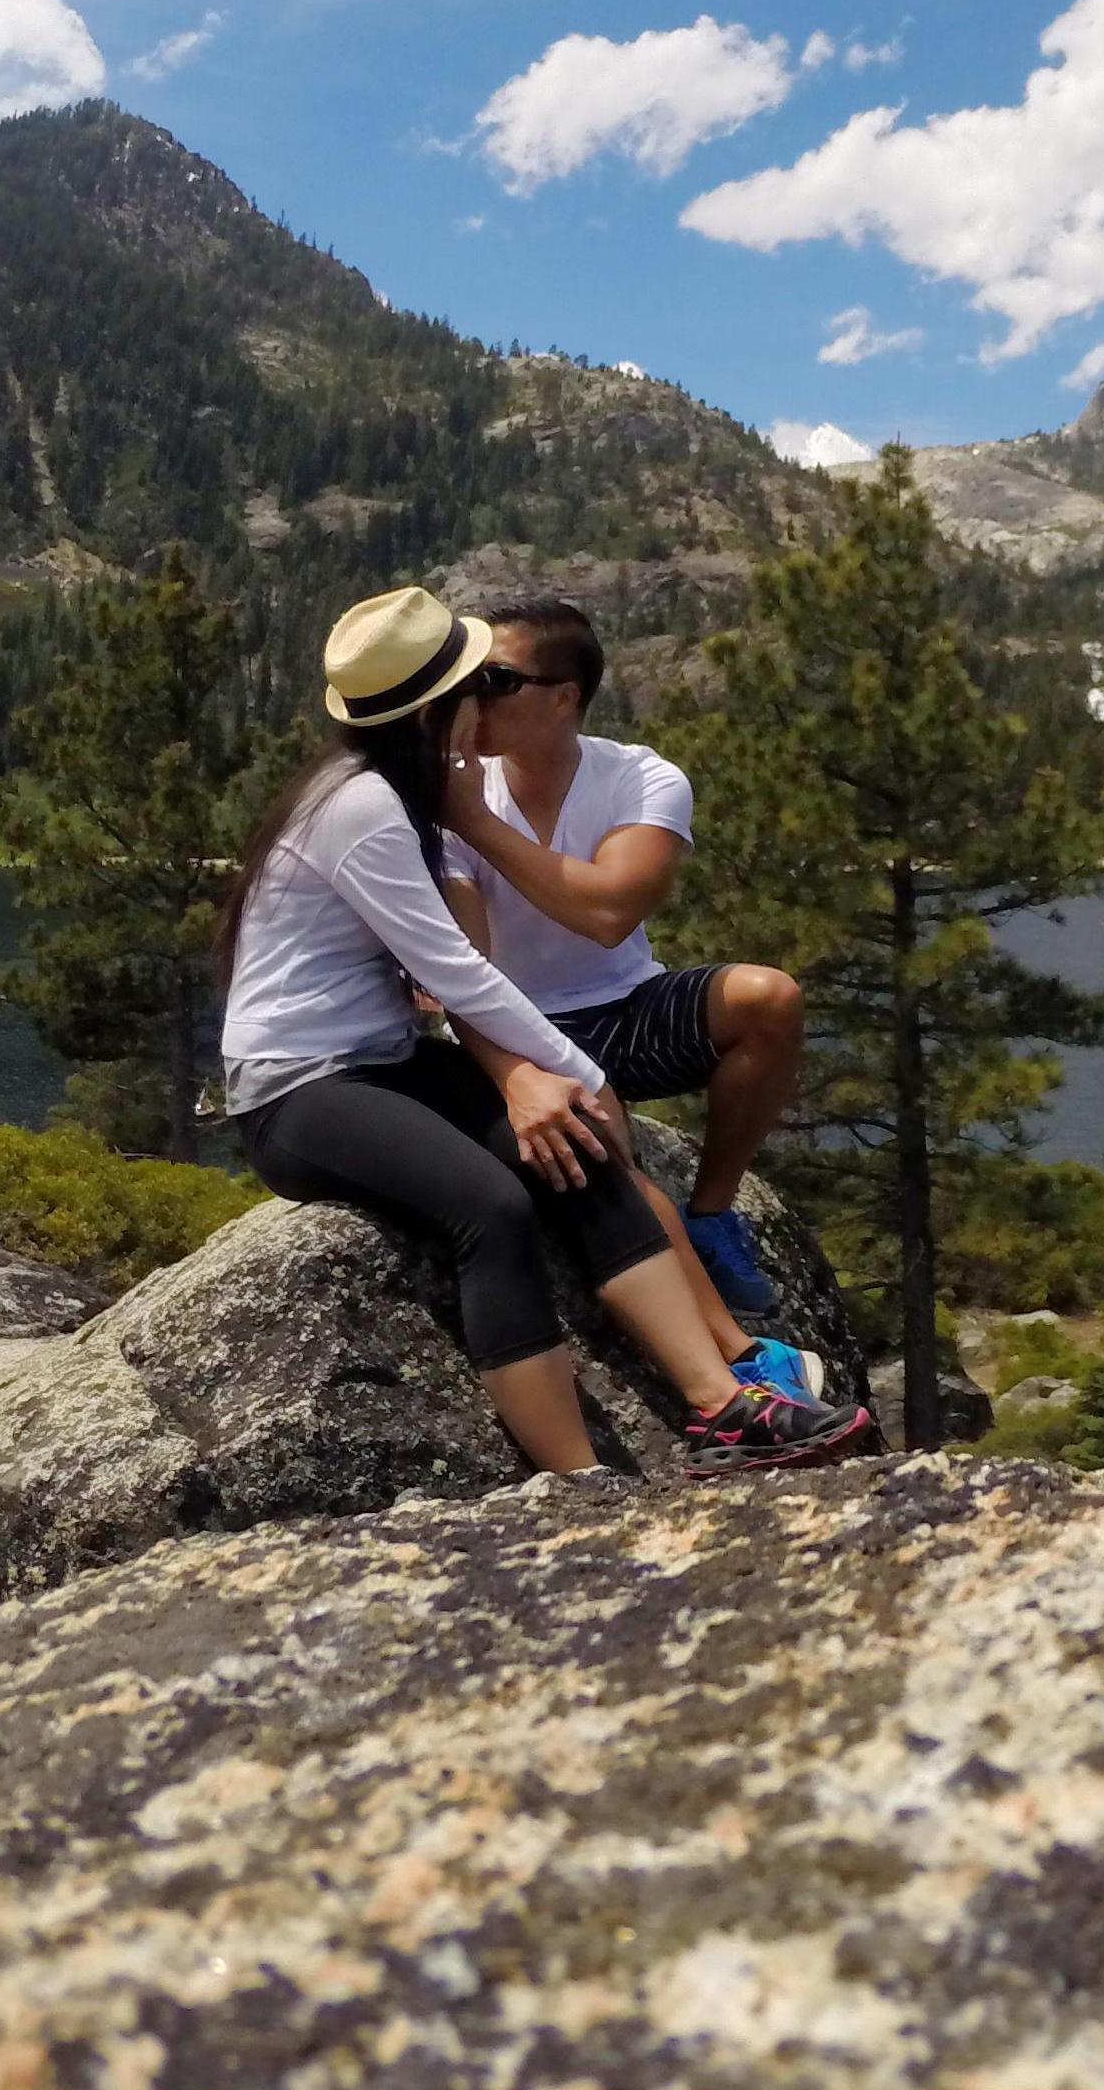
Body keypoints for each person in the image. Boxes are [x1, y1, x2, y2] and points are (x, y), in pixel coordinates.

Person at [215, 583, 870, 1475]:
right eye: (474, 682)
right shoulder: (363, 809)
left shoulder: (409, 790)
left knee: (576, 1151)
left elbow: (491, 963)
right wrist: (577, 1073)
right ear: (441, 705)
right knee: (492, 1209)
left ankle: (724, 1408)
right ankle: (580, 1480)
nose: (485, 697)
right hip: (296, 1090)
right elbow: (452, 972)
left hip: (384, 1062)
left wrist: (550, 1086)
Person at [434, 594, 802, 1320]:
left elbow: (607, 912)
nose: (474, 698)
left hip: (627, 1006)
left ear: (566, 697)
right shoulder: (455, 794)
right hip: (519, 1028)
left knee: (772, 1000)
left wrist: (474, 823)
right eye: (466, 680)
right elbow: (466, 961)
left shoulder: (641, 778)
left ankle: (713, 1212)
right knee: (609, 1158)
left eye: (497, 680)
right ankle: (705, 1329)